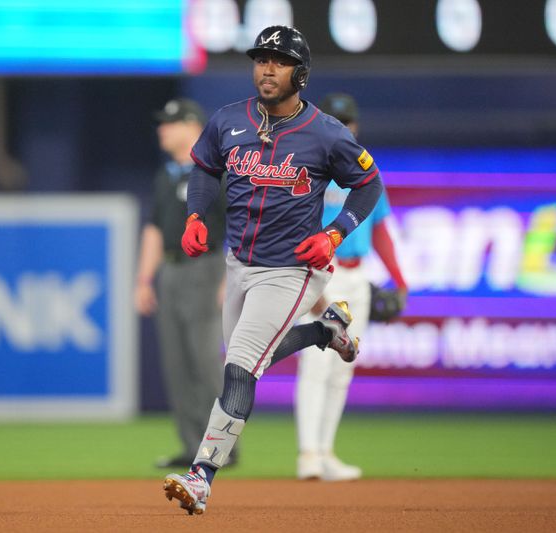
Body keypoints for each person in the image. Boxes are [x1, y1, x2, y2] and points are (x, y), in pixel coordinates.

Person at [162, 25, 383, 515]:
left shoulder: (326, 132)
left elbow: (369, 183)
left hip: (293, 269)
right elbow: (203, 168)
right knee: (245, 361)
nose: (267, 67)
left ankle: (202, 476)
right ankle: (326, 331)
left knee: (239, 366)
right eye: (261, 58)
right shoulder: (227, 120)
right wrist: (196, 214)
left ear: (299, 74)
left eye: (278, 61)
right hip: (239, 263)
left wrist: (334, 232)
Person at [295, 93, 408, 481]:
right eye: (336, 120)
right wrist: (309, 279)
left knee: (343, 366)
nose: (344, 127)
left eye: (348, 121)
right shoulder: (311, 167)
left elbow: (379, 230)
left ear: (356, 126)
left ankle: (325, 452)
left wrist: (400, 278)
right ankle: (308, 453)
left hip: (358, 276)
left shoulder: (366, 173)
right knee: (316, 363)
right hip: (322, 270)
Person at [134, 98, 229, 468]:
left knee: (205, 362)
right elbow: (155, 228)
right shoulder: (167, 174)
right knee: (176, 364)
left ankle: (222, 446)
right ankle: (193, 446)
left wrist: (229, 278)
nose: (162, 129)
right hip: (170, 271)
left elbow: (238, 224)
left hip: (206, 267)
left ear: (192, 126)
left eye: (170, 123)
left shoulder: (216, 170)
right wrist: (144, 279)